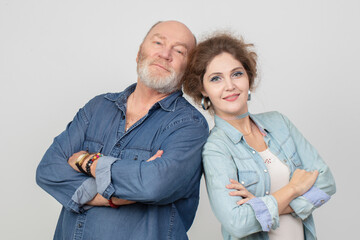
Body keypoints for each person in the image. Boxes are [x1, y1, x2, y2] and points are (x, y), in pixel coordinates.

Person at [36, 20, 209, 240]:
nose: (165, 54)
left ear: (187, 72)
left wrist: (86, 162)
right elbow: (48, 169)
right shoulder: (97, 108)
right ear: (139, 53)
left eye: (179, 51)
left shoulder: (190, 125)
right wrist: (111, 197)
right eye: (158, 42)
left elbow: (153, 184)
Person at [182, 33, 336, 240]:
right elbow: (237, 223)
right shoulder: (215, 148)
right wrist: (294, 188)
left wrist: (261, 205)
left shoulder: (279, 123)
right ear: (203, 89)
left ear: (248, 77)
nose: (230, 85)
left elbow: (326, 182)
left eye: (236, 74)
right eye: (216, 78)